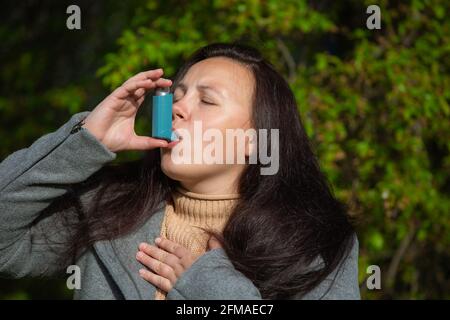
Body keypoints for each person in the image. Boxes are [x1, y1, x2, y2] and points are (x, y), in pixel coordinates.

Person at [0, 43, 360, 300]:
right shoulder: (109, 204)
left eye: (206, 100)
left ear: (255, 139)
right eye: (178, 96)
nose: (178, 109)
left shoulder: (314, 242)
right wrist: (86, 140)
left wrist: (212, 288)